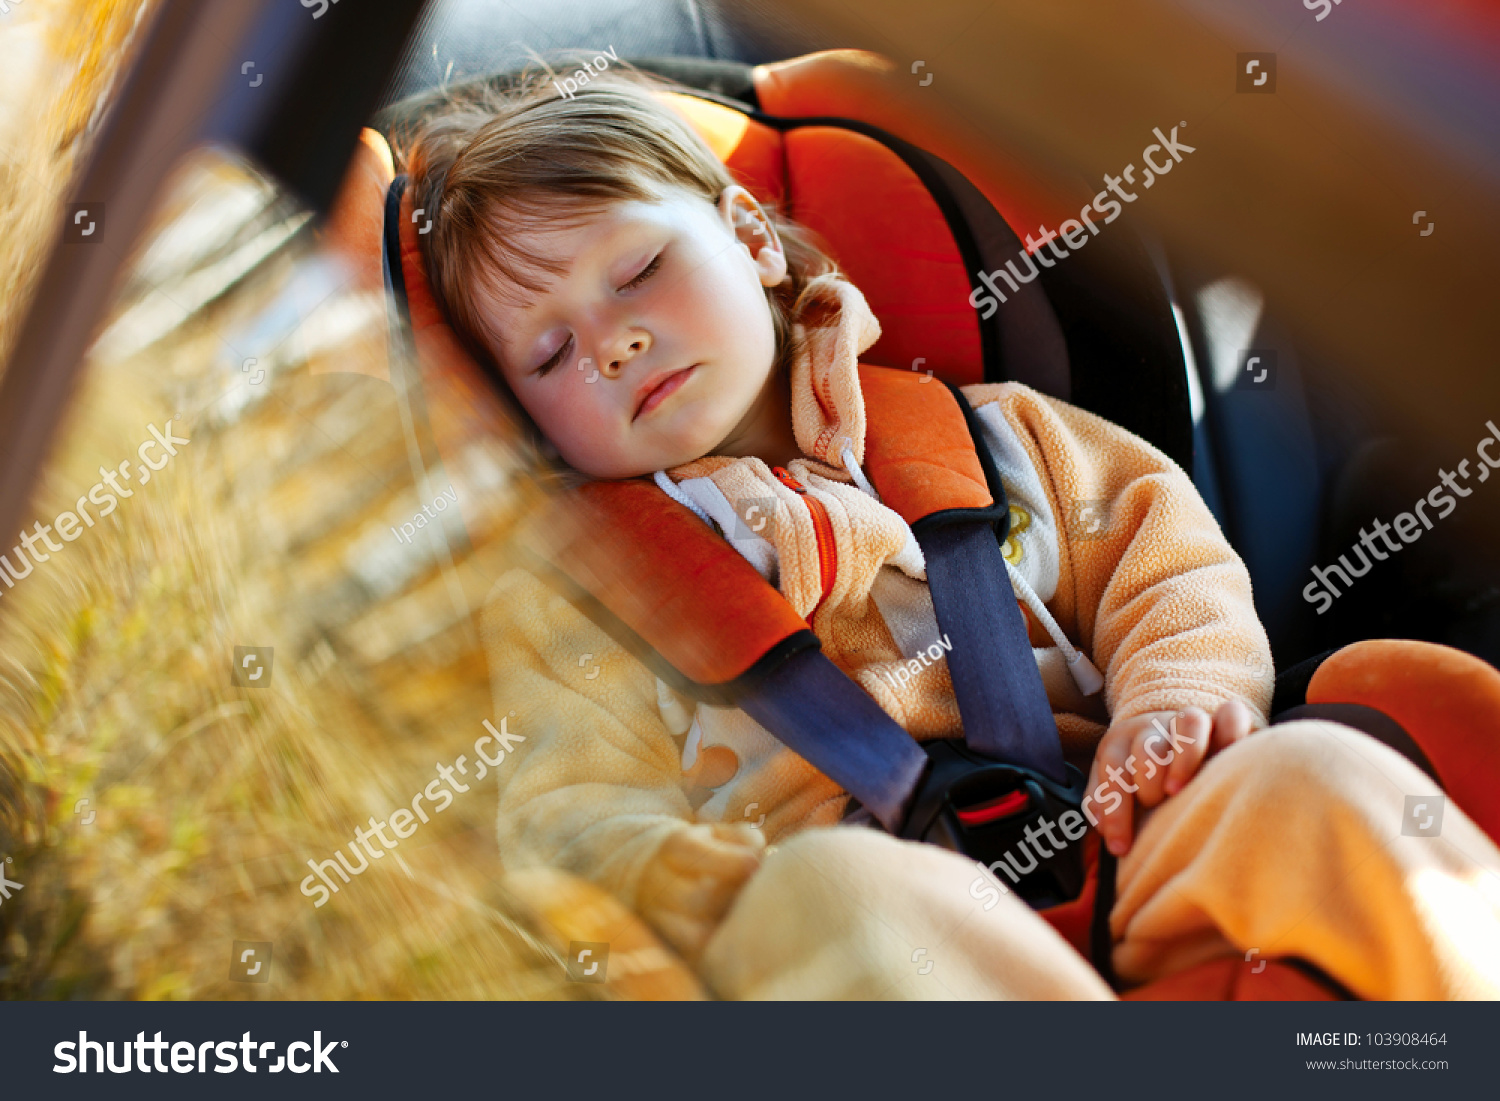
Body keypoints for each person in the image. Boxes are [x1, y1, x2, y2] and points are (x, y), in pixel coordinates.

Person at [402, 69, 1500, 999]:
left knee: (1313, 774)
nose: (612, 339)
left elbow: (1171, 576)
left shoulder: (996, 438)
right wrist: (703, 886)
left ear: (751, 240)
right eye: (548, 355)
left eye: (637, 269)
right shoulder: (583, 596)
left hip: (1117, 837)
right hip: (871, 944)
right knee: (835, 889)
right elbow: (574, 817)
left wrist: (1174, 706)